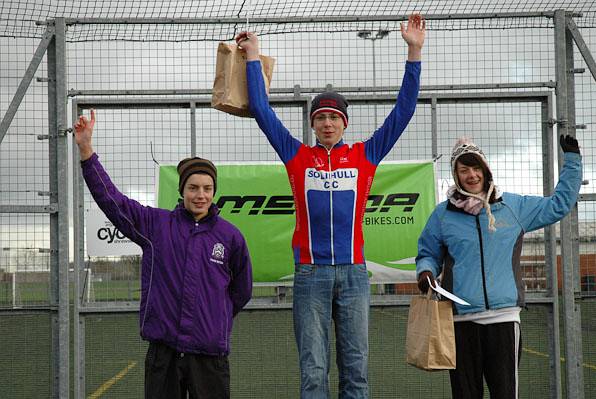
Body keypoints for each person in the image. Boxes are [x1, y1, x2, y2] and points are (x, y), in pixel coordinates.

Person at [235, 14, 425, 399]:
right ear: (312, 123)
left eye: (333, 117)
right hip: (310, 276)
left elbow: (403, 112)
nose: (326, 123)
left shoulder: (364, 155)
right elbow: (261, 109)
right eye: (319, 117)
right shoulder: (297, 156)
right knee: (313, 371)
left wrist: (414, 50)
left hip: (354, 275)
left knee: (355, 371)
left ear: (344, 123)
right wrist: (253, 57)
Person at [73, 109, 253, 399]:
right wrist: (86, 150)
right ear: (182, 190)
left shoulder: (230, 236)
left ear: (214, 192)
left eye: (207, 188)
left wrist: (214, 318)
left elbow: (240, 291)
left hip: (209, 354)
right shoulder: (156, 226)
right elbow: (112, 200)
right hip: (164, 353)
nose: (200, 195)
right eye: (193, 187)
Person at [416, 135, 582, 398]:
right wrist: (425, 272)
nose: (471, 175)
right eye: (463, 170)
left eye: (476, 167)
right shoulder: (442, 214)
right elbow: (427, 253)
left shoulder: (513, 207)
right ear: (455, 175)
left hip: (503, 320)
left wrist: (572, 160)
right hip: (459, 322)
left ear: (486, 169)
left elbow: (559, 205)